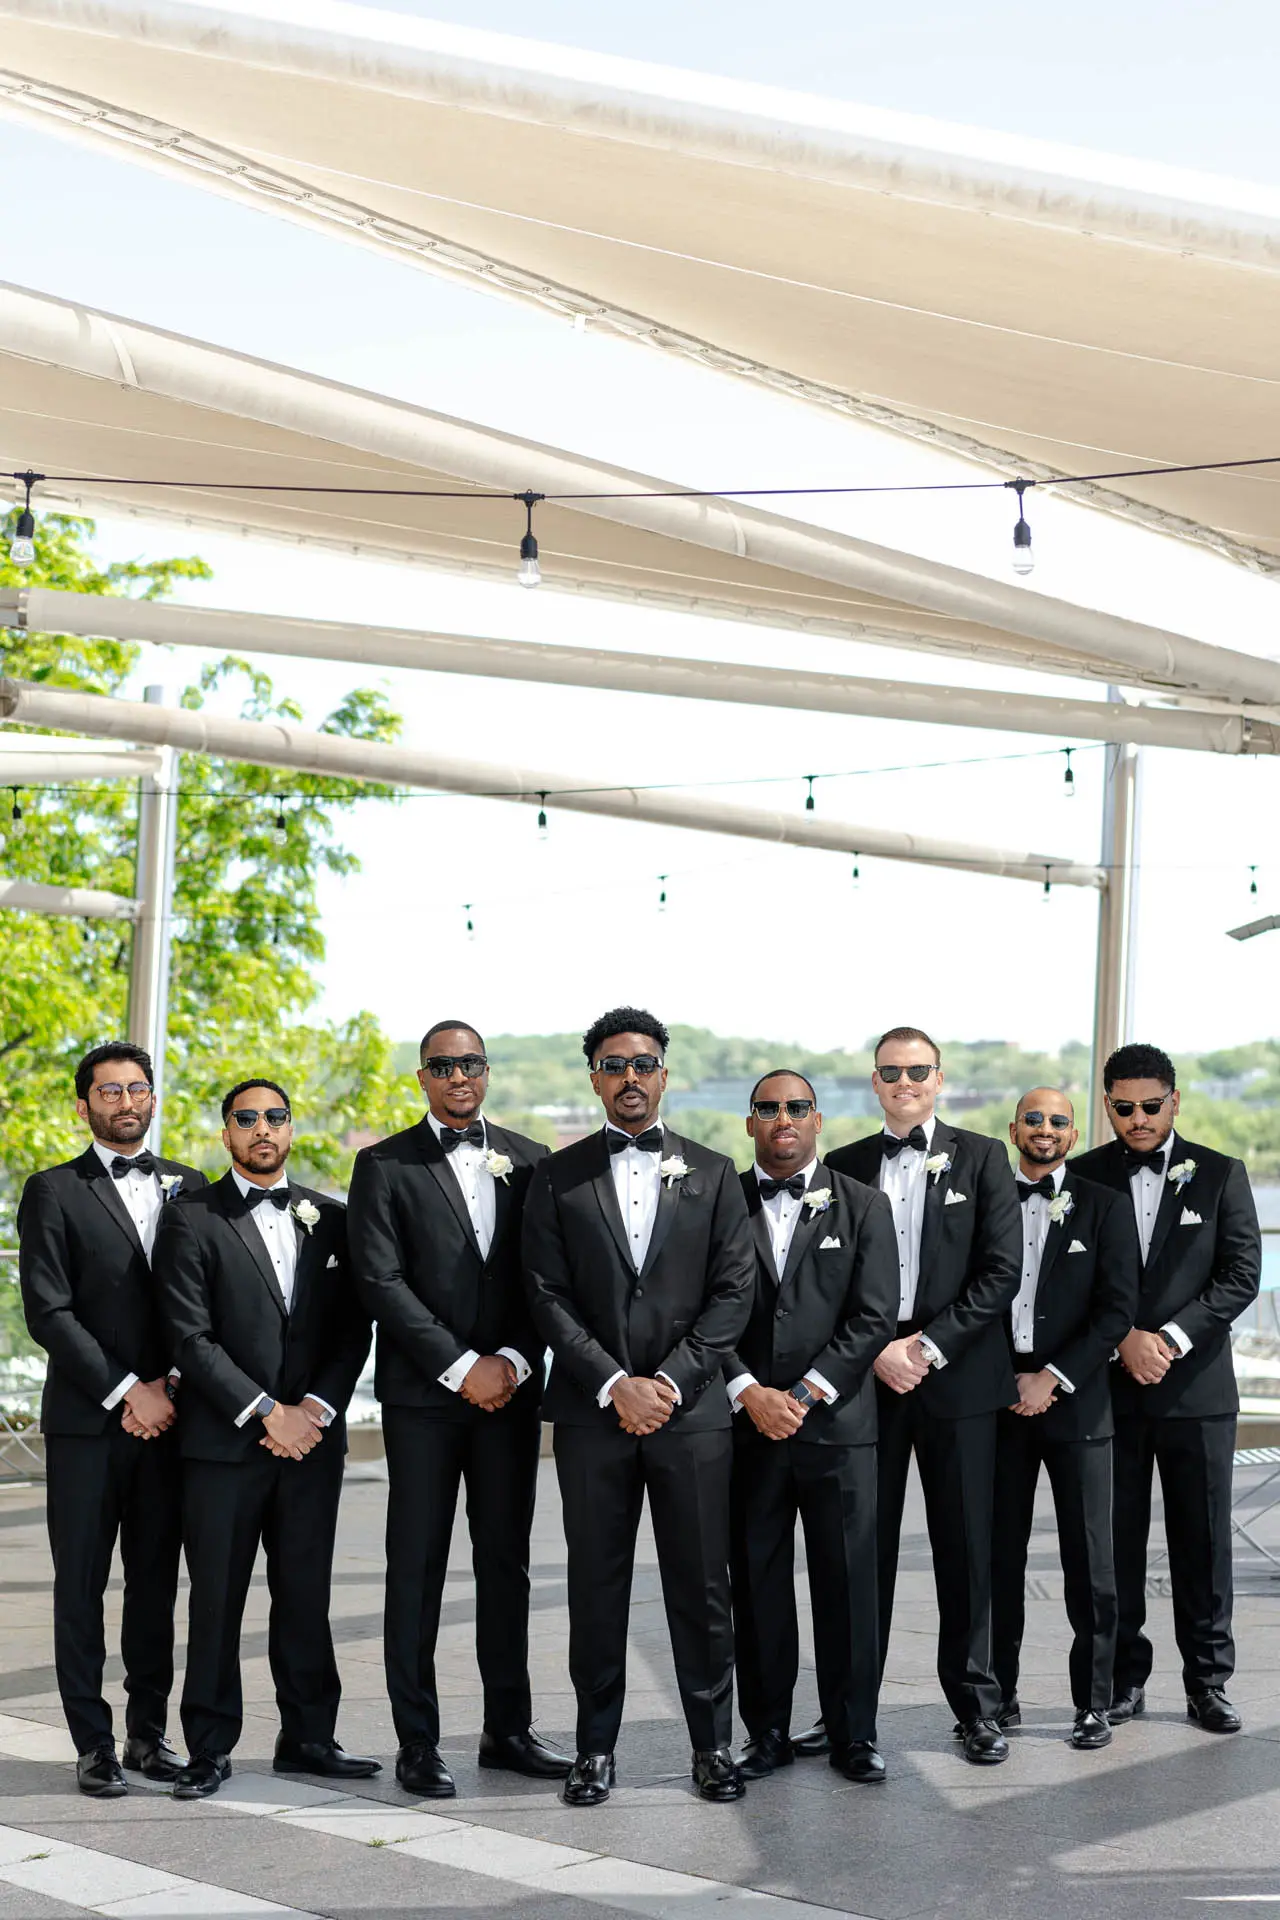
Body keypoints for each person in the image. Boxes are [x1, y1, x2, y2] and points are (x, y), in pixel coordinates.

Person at [523, 1008, 754, 1806]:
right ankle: (594, 1749)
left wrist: (671, 1382)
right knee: (595, 1585)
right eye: (615, 1064)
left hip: (692, 1417)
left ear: (664, 1074)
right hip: (593, 1416)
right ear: (594, 1077)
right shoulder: (555, 1175)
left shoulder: (715, 1173)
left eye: (644, 1063)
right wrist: (612, 1382)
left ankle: (713, 1746)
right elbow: (544, 1294)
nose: (630, 1077)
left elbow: (734, 1293)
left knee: (703, 1585)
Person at [347, 1021, 570, 1799]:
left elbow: (546, 1279)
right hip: (422, 1400)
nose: (458, 1076)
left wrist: (510, 1360)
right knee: (416, 1568)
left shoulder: (532, 1161)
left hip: (510, 1394)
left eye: (470, 1063)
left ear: (487, 1069)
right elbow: (379, 1281)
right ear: (422, 1077)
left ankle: (508, 1731)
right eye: (442, 1066)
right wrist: (458, 1366)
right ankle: (417, 1742)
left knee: (507, 1565)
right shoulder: (383, 1165)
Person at [152, 1078, 374, 1799]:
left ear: (291, 1128)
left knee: (305, 1595)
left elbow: (354, 1330)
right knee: (217, 1599)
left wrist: (314, 1410)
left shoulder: (332, 1220)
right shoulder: (190, 1218)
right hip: (222, 1446)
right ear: (226, 1134)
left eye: (275, 1116)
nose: (262, 1128)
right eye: (246, 1119)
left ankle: (308, 1738)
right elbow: (189, 1336)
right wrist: (265, 1411)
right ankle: (209, 1748)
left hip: (311, 1444)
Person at [819, 1027, 1022, 1764]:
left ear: (939, 1079)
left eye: (918, 1071)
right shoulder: (842, 1164)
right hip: (867, 1381)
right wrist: (876, 1349)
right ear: (874, 1081)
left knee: (967, 1549)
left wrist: (927, 1347)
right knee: (858, 1554)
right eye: (891, 1071)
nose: (904, 1082)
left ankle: (977, 1710)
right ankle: (850, 1720)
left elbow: (1001, 1271)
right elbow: (825, 1280)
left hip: (957, 1379)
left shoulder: (984, 1157)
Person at [17, 1043, 205, 1798]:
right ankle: (92, 1744)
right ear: (83, 1105)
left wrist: (171, 1387)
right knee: (81, 1587)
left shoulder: (192, 1185)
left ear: (153, 1097)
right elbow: (48, 1311)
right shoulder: (52, 1190)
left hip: (173, 1420)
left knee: (156, 1586)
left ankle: (148, 1735)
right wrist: (129, 1391)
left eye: (137, 1088)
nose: (126, 1102)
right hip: (87, 1425)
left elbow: (206, 1305)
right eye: (109, 1091)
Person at [1073, 1043, 1261, 1734]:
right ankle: (1124, 1680)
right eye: (1124, 1107)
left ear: (1174, 1101)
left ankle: (1208, 1683)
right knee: (1114, 1545)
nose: (1139, 1118)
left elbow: (1240, 1275)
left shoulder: (1221, 1173)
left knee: (1203, 1543)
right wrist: (1123, 1337)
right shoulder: (1083, 1176)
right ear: (1108, 1107)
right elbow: (1070, 1278)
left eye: (1151, 1105)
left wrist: (1171, 1339)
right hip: (1110, 1392)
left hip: (1197, 1393)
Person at [725, 1071, 897, 1784]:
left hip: (838, 1429)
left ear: (818, 1119)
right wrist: (747, 1391)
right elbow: (700, 1312)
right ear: (750, 1123)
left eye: (797, 1107)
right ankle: (765, 1733)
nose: (783, 1118)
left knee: (849, 1585)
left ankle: (854, 1734)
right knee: (756, 1585)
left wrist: (802, 1392)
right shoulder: (721, 1201)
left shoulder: (865, 1205)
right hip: (748, 1430)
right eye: (768, 1109)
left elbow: (874, 1315)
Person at [990, 1089, 1139, 1750]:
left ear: (1073, 1134)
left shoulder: (1106, 1206)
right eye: (1033, 1119)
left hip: (1077, 1404)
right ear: (1013, 1129)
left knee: (1090, 1560)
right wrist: (1007, 1379)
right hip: (998, 1403)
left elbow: (1116, 1309)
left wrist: (1051, 1377)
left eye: (1057, 1120)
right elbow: (968, 1296)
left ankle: (1094, 1703)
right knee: (997, 1557)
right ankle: (997, 1696)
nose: (1044, 1129)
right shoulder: (987, 1201)